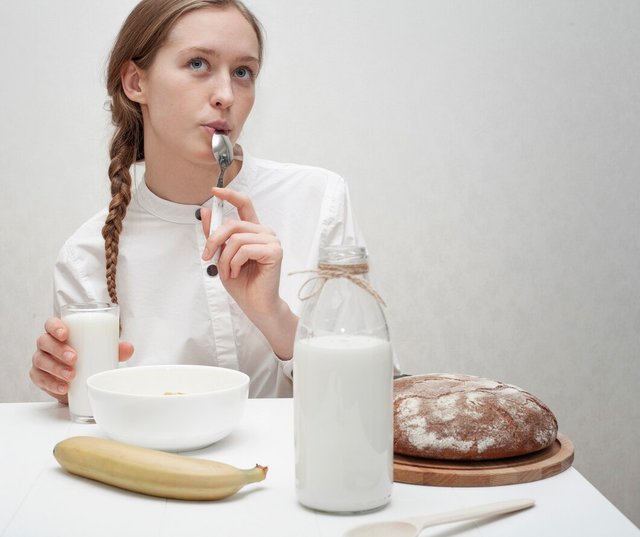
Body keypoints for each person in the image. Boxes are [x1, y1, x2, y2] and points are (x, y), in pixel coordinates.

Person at [29, 0, 364, 400]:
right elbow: (91, 426)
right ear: (136, 82)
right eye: (198, 64)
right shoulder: (85, 258)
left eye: (243, 72)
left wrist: (274, 317)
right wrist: (70, 392)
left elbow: (370, 395)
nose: (225, 95)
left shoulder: (319, 200)